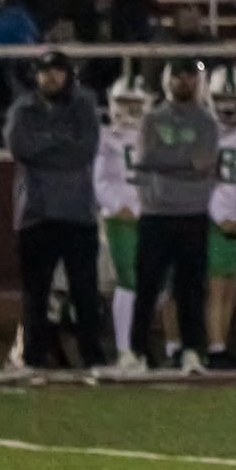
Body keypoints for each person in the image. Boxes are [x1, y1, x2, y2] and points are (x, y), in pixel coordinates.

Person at [3, 49, 104, 370]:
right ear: (36, 74)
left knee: (85, 293)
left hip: (77, 214)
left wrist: (45, 143)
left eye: (57, 71)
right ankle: (33, 358)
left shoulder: (83, 106)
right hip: (36, 214)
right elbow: (20, 148)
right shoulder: (23, 109)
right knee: (36, 295)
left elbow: (84, 151)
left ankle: (93, 358)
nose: (51, 77)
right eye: (46, 71)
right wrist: (61, 141)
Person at [130, 58, 218, 375]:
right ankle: (137, 351)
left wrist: (166, 160)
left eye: (190, 77)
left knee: (191, 289)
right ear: (168, 81)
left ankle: (192, 351)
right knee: (147, 287)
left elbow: (205, 162)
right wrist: (184, 161)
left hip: (192, 212)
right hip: (156, 212)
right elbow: (144, 157)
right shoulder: (151, 119)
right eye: (179, 76)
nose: (185, 82)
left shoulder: (207, 121)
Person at [93, 73, 152, 371]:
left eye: (134, 103)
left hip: (150, 215)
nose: (128, 109)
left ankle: (139, 347)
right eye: (123, 102)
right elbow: (99, 179)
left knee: (149, 283)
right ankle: (124, 348)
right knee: (127, 280)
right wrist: (118, 205)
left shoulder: (155, 135)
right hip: (119, 218)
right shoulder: (105, 137)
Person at [204, 66, 236, 369]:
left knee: (231, 286)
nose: (226, 104)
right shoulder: (206, 130)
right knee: (217, 286)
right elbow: (204, 179)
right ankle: (215, 347)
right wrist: (219, 215)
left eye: (232, 98)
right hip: (215, 217)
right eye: (221, 98)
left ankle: (221, 346)